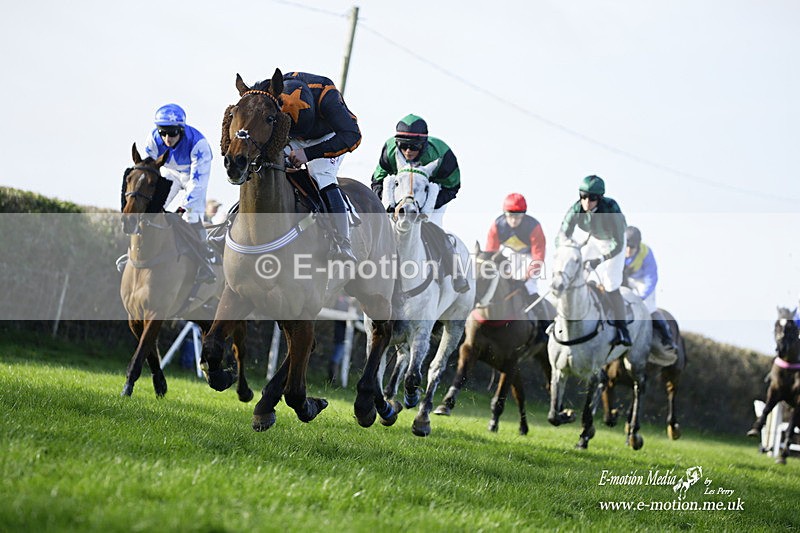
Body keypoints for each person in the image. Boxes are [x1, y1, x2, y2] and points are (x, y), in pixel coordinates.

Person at [252, 71, 360, 263]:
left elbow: (353, 136)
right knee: (261, 161)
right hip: (288, 135)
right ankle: (235, 217)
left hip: (330, 135)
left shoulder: (328, 97)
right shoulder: (269, 89)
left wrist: (308, 154)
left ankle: (343, 242)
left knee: (320, 172)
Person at [371, 114, 468, 293]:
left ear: (423, 145)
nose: (407, 151)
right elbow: (378, 181)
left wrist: (426, 205)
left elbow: (452, 187)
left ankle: (457, 275)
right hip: (398, 195)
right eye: (403, 146)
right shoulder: (390, 150)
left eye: (413, 147)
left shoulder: (442, 154)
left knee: (434, 228)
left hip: (430, 195)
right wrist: (387, 201)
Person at [144, 103, 215, 283]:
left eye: (173, 133)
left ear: (181, 130)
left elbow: (198, 184)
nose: (167, 138)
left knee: (190, 217)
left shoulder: (199, 144)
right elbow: (148, 170)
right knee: (150, 211)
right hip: (170, 173)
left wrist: (186, 207)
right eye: (163, 133)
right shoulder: (152, 139)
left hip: (194, 175)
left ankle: (205, 259)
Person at [556, 175, 631, 346]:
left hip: (615, 243)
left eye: (592, 198)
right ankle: (562, 319)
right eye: (583, 196)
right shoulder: (576, 209)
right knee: (576, 274)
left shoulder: (611, 209)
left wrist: (601, 259)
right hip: (594, 240)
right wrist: (566, 249)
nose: (586, 202)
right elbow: (562, 234)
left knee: (611, 283)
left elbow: (618, 243)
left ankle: (622, 329)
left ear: (600, 198)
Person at [485, 193, 547, 319]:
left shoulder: (534, 226)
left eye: (518, 216)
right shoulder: (497, 225)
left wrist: (526, 277)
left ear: (524, 214)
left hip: (530, 257)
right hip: (509, 253)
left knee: (530, 287)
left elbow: (538, 256)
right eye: (510, 216)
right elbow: (490, 252)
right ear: (504, 213)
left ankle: (543, 323)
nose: (514, 220)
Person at [623, 226, 677, 351]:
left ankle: (667, 337)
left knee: (649, 308)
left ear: (638, 245)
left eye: (632, 247)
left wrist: (641, 297)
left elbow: (651, 278)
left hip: (643, 283)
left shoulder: (646, 253)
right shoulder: (618, 249)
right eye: (627, 246)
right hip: (626, 282)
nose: (629, 250)